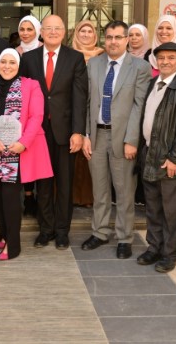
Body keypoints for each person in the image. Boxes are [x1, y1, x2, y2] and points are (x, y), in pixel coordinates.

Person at [81, 20, 152, 259]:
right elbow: (87, 102)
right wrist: (86, 135)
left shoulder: (140, 67)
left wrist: (132, 139)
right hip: (97, 135)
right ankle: (100, 232)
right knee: (99, 190)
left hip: (123, 137)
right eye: (109, 37)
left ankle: (124, 237)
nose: (113, 42)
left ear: (127, 40)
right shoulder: (93, 64)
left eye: (118, 37)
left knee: (124, 192)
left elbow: (139, 105)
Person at [19, 14, 88, 250]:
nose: (53, 32)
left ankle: (61, 231)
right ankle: (45, 229)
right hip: (37, 132)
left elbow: (80, 97)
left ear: (64, 32)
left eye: (57, 28)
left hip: (65, 131)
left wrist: (78, 131)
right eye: (48, 28)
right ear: (41, 32)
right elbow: (24, 95)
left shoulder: (75, 58)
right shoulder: (28, 59)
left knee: (64, 184)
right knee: (43, 183)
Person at [0, 49, 53, 260]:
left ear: (18, 65)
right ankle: (4, 233)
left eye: (12, 62)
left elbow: (37, 116)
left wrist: (23, 143)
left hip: (18, 151)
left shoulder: (31, 85)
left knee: (10, 197)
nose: (7, 66)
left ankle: (13, 244)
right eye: (3, 62)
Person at [136, 42, 176, 273]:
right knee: (153, 208)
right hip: (151, 155)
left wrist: (175, 158)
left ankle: (170, 253)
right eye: (161, 57)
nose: (165, 61)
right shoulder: (153, 83)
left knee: (173, 212)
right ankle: (154, 247)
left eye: (171, 58)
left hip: (173, 161)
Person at [70, 20, 105, 208]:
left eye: (89, 31)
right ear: (76, 33)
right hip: (72, 108)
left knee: (90, 154)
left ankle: (87, 198)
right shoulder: (68, 55)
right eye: (82, 31)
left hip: (96, 109)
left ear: (95, 35)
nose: (85, 34)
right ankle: (71, 197)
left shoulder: (102, 56)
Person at [15, 15, 43, 215]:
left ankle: (40, 197)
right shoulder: (15, 52)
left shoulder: (44, 49)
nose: (25, 33)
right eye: (22, 29)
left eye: (29, 29)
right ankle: (28, 195)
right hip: (19, 109)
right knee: (23, 154)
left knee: (37, 155)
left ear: (37, 31)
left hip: (40, 108)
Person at [128, 23, 152, 206]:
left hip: (144, 111)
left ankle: (142, 196)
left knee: (141, 156)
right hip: (123, 114)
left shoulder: (150, 58)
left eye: (138, 35)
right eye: (131, 34)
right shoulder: (122, 57)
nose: (134, 38)